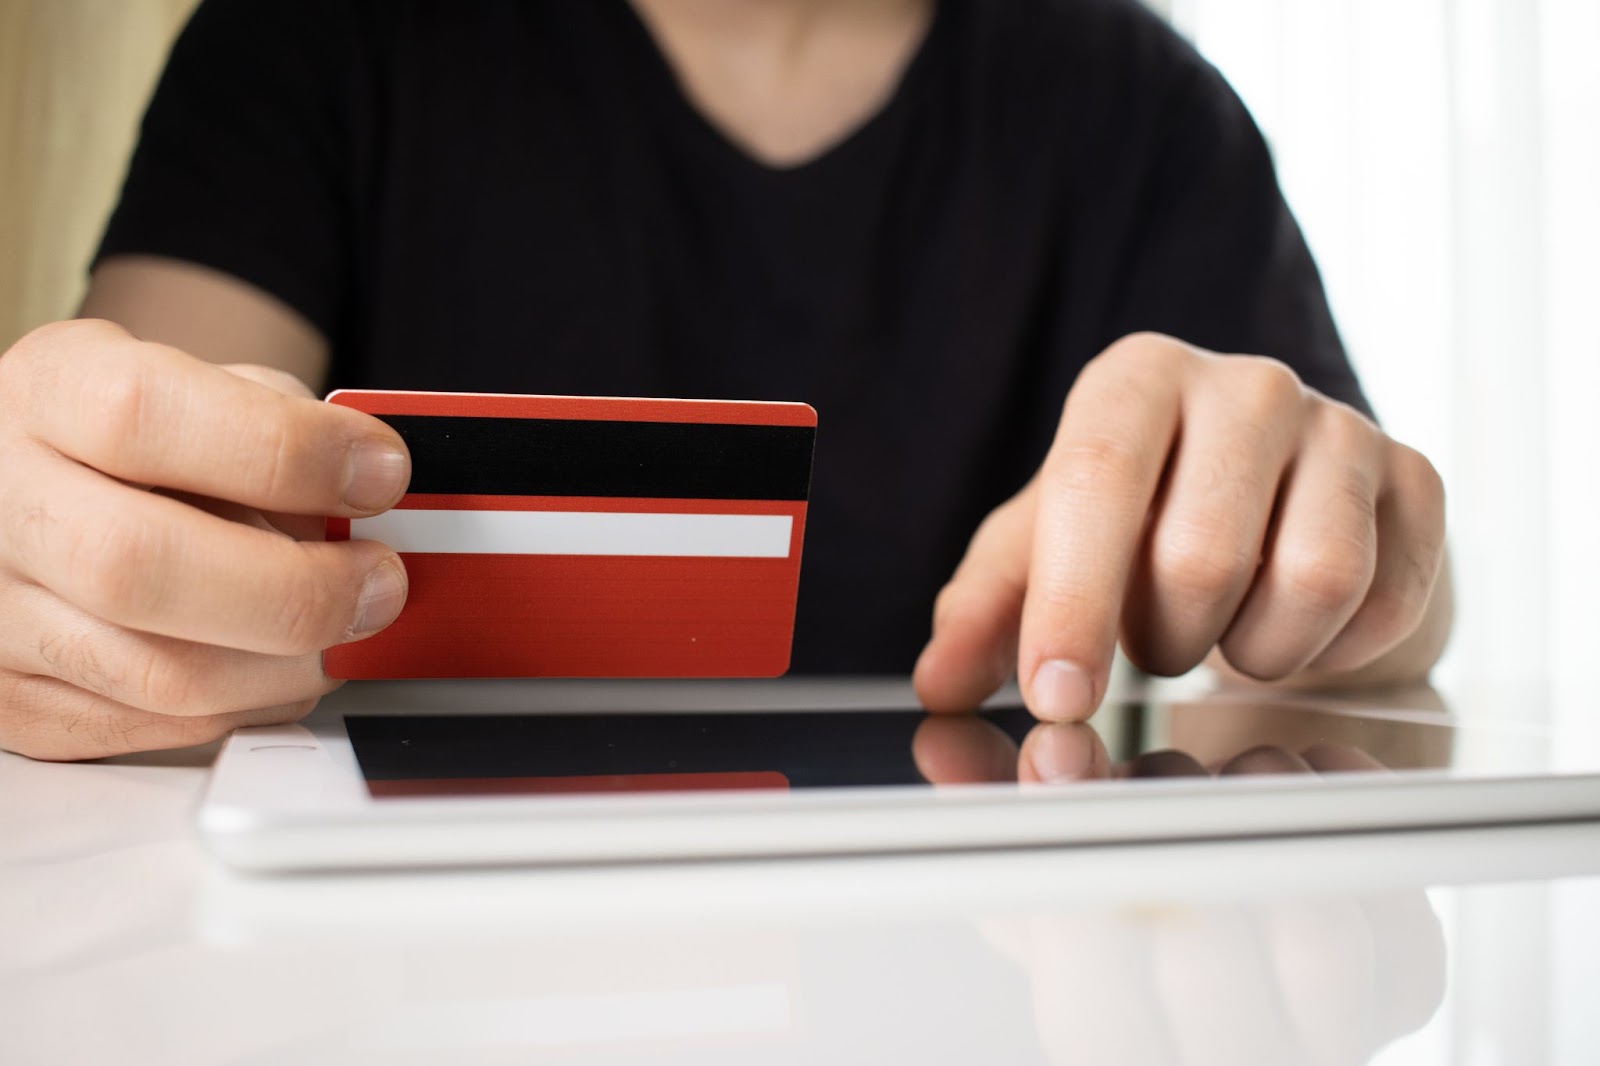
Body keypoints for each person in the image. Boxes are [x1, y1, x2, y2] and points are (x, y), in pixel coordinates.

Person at [0, 0, 1451, 761]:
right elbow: (124, 473)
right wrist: (67, 537)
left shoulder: (1143, 105)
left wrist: (1358, 561)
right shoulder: (316, 38)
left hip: (967, 976)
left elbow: (1382, 609)